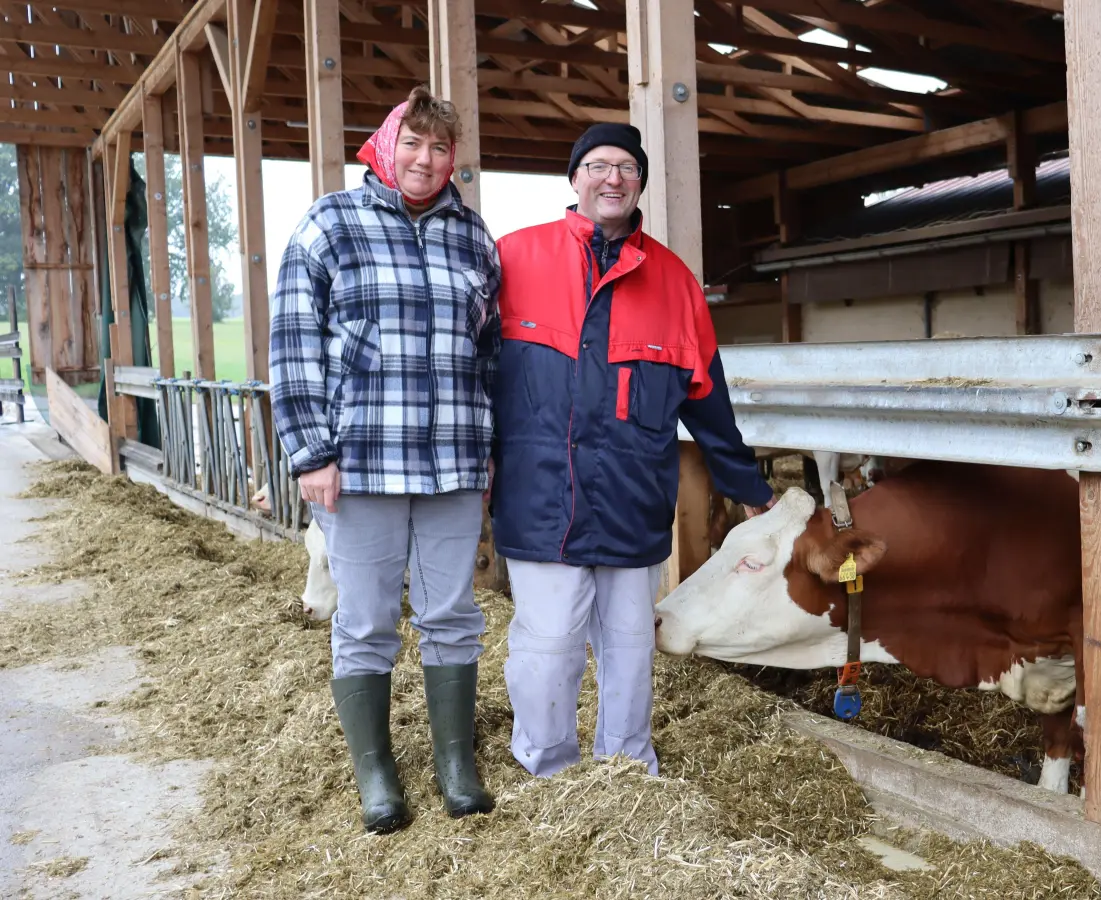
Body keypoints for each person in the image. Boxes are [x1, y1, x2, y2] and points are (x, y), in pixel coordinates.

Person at [490, 123, 776, 778]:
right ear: (574, 179)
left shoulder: (674, 282)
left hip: (632, 504)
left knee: (628, 650)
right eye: (596, 164)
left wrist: (752, 492)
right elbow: (472, 375)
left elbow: (709, 403)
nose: (611, 177)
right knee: (547, 649)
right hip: (542, 502)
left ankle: (626, 770)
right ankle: (548, 769)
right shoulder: (515, 259)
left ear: (640, 182)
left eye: (625, 166)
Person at [268, 86, 500, 833]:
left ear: (452, 158)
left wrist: (487, 445)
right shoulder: (330, 224)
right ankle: (377, 773)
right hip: (359, 463)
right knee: (365, 622)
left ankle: (455, 764)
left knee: (451, 614)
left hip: (453, 464)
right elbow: (294, 341)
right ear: (386, 144)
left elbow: (490, 355)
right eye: (413, 143)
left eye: (439, 148)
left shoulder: (473, 238)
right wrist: (310, 451)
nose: (425, 160)